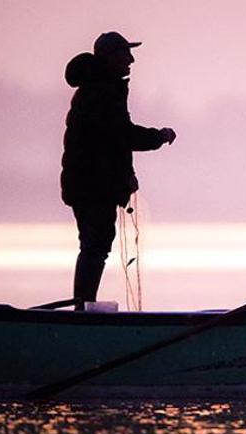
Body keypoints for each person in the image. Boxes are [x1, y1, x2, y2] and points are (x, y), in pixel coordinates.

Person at [61, 32, 176, 309]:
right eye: (125, 54)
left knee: (96, 244)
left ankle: (83, 307)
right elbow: (121, 135)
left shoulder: (100, 88)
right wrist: (158, 136)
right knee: (95, 245)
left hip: (91, 184)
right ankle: (83, 310)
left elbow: (112, 140)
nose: (131, 60)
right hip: (91, 185)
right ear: (110, 57)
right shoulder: (102, 91)